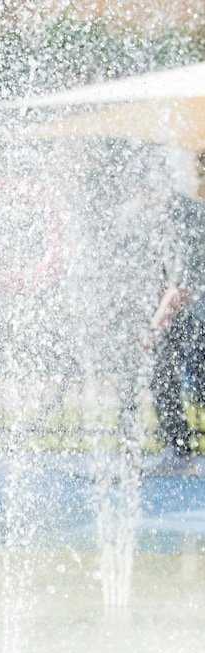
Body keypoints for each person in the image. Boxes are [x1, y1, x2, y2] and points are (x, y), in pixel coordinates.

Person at [145, 190, 205, 476]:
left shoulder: (187, 215)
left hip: (197, 317)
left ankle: (180, 453)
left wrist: (154, 328)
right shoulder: (172, 215)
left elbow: (181, 286)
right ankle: (179, 451)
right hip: (188, 317)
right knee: (162, 376)